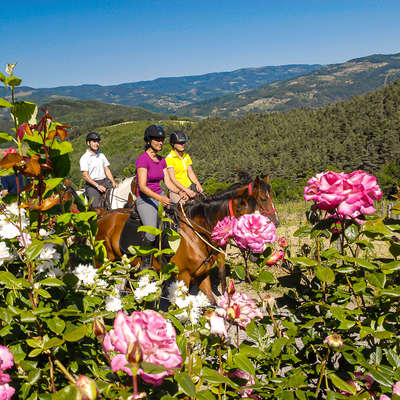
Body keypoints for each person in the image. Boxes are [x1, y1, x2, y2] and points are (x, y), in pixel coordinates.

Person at [135, 125, 186, 268]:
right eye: (157, 139)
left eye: (162, 140)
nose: (160, 142)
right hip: (145, 199)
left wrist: (180, 192)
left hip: (160, 195)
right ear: (149, 140)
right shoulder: (142, 160)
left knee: (178, 220)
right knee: (151, 231)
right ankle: (145, 264)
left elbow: (168, 182)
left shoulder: (162, 160)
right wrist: (160, 199)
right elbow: (143, 187)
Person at [79, 132, 117, 208]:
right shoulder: (84, 158)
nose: (96, 144)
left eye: (97, 142)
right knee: (97, 207)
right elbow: (85, 176)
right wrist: (97, 186)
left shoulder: (101, 155)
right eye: (94, 141)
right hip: (92, 185)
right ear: (88, 143)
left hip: (105, 181)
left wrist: (113, 182)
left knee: (116, 197)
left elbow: (107, 170)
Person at [165, 130, 203, 203]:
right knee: (183, 205)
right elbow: (173, 179)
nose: (183, 144)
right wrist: (186, 190)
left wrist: (198, 184)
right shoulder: (169, 158)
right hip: (176, 190)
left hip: (189, 187)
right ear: (173, 144)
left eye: (184, 142)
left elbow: (190, 173)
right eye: (180, 143)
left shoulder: (186, 156)